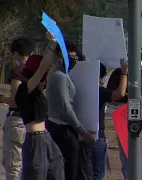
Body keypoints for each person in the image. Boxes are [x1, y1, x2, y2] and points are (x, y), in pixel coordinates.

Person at [15, 33, 65, 179]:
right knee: (36, 173)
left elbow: (42, 64)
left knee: (57, 167)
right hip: (35, 140)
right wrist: (52, 42)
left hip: (46, 137)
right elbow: (42, 66)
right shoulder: (24, 89)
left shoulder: (36, 91)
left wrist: (50, 44)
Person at [46, 40, 95, 180]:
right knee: (70, 171)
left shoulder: (62, 75)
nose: (73, 60)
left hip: (63, 128)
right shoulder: (59, 77)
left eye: (75, 57)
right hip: (63, 130)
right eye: (69, 57)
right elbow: (65, 108)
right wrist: (82, 131)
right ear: (60, 57)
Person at [105, 48, 142, 180]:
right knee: (125, 152)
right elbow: (112, 94)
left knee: (138, 150)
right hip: (122, 114)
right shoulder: (119, 73)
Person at [0, 37, 33, 180]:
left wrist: (1, 98)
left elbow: (16, 100)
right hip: (34, 123)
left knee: (14, 167)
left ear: (16, 53)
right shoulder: (38, 70)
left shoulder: (18, 70)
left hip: (17, 122)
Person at [91, 60, 128, 180]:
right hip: (97, 134)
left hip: (80, 134)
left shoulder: (79, 87)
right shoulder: (98, 90)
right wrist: (124, 73)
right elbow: (120, 93)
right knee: (98, 174)